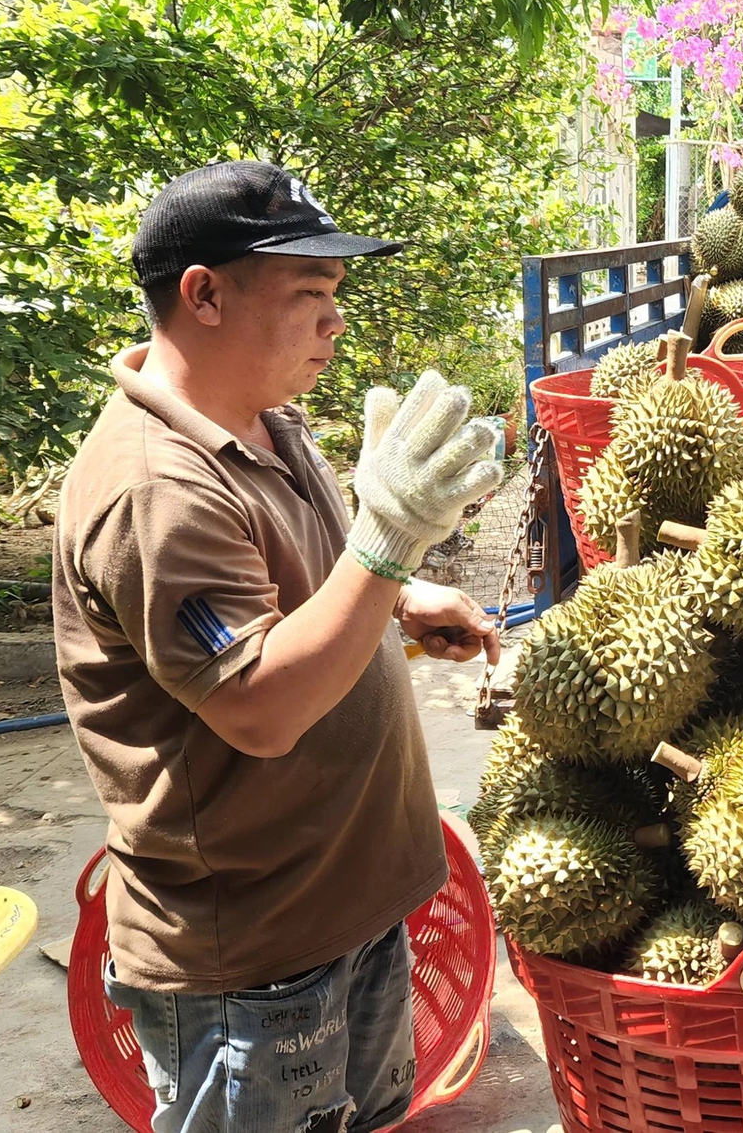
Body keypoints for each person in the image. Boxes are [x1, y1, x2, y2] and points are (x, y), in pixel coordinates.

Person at [52, 160, 504, 1133]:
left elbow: (311, 582)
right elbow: (259, 704)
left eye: (335, 295)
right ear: (202, 293)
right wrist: (389, 538)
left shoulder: (263, 420)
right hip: (254, 961)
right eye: (309, 295)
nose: (333, 321)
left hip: (356, 908)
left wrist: (398, 592)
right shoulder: (153, 489)